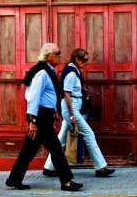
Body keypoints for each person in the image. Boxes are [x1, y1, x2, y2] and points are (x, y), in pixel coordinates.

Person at [6, 43, 83, 191]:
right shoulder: (42, 73)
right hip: (40, 118)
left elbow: (48, 96)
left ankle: (14, 179)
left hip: (44, 116)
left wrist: (54, 113)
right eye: (57, 53)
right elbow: (33, 98)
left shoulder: (48, 71)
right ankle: (66, 181)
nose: (60, 56)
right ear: (48, 56)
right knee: (56, 149)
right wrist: (33, 122)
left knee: (28, 151)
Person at [43, 48, 115, 178]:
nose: (86, 63)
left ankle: (49, 167)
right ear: (76, 59)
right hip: (71, 108)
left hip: (71, 108)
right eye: (84, 60)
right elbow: (67, 94)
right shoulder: (71, 73)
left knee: (62, 139)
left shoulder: (73, 70)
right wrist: (71, 115)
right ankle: (100, 167)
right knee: (89, 134)